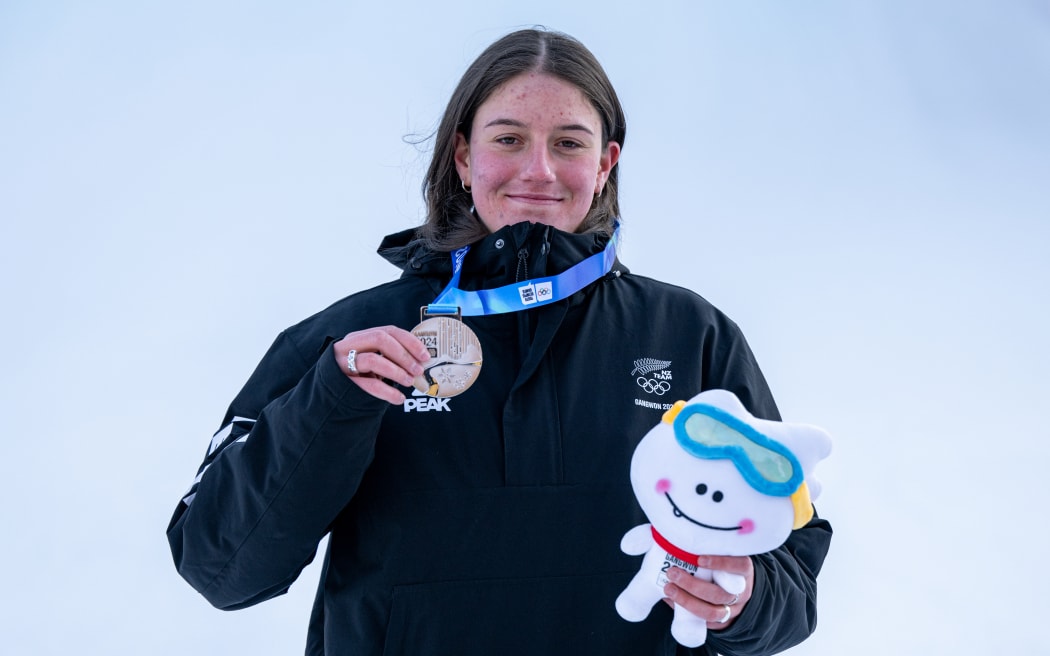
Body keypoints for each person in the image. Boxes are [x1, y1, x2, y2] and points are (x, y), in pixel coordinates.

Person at [167, 28, 832, 656]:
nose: (538, 170)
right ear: (463, 156)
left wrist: (741, 598)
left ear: (606, 164)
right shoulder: (354, 345)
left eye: (569, 143)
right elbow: (219, 568)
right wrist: (329, 403)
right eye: (509, 139)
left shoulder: (690, 337)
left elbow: (791, 575)